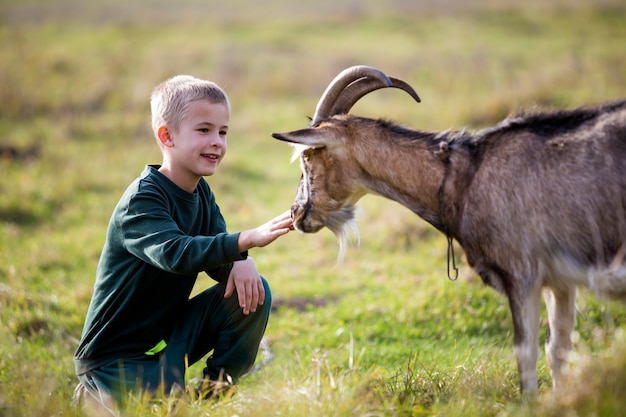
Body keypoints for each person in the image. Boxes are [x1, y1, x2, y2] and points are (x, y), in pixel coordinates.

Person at [73, 74, 293, 413]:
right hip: (112, 359)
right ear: (167, 136)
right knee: (164, 406)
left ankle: (214, 395)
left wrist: (240, 260)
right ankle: (95, 393)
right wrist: (246, 240)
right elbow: (176, 253)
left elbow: (219, 256)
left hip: (170, 338)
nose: (217, 141)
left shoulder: (202, 193)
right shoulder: (142, 201)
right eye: (204, 130)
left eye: (223, 131)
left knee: (253, 292)